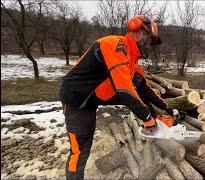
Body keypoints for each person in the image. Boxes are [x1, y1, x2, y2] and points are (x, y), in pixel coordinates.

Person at [59, 15, 179, 180]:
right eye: (149, 40)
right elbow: (124, 90)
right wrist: (146, 118)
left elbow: (143, 87)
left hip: (94, 97)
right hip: (76, 99)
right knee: (80, 149)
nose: (149, 45)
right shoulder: (116, 45)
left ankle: (158, 118)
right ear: (138, 32)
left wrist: (166, 107)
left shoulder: (131, 60)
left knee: (138, 90)